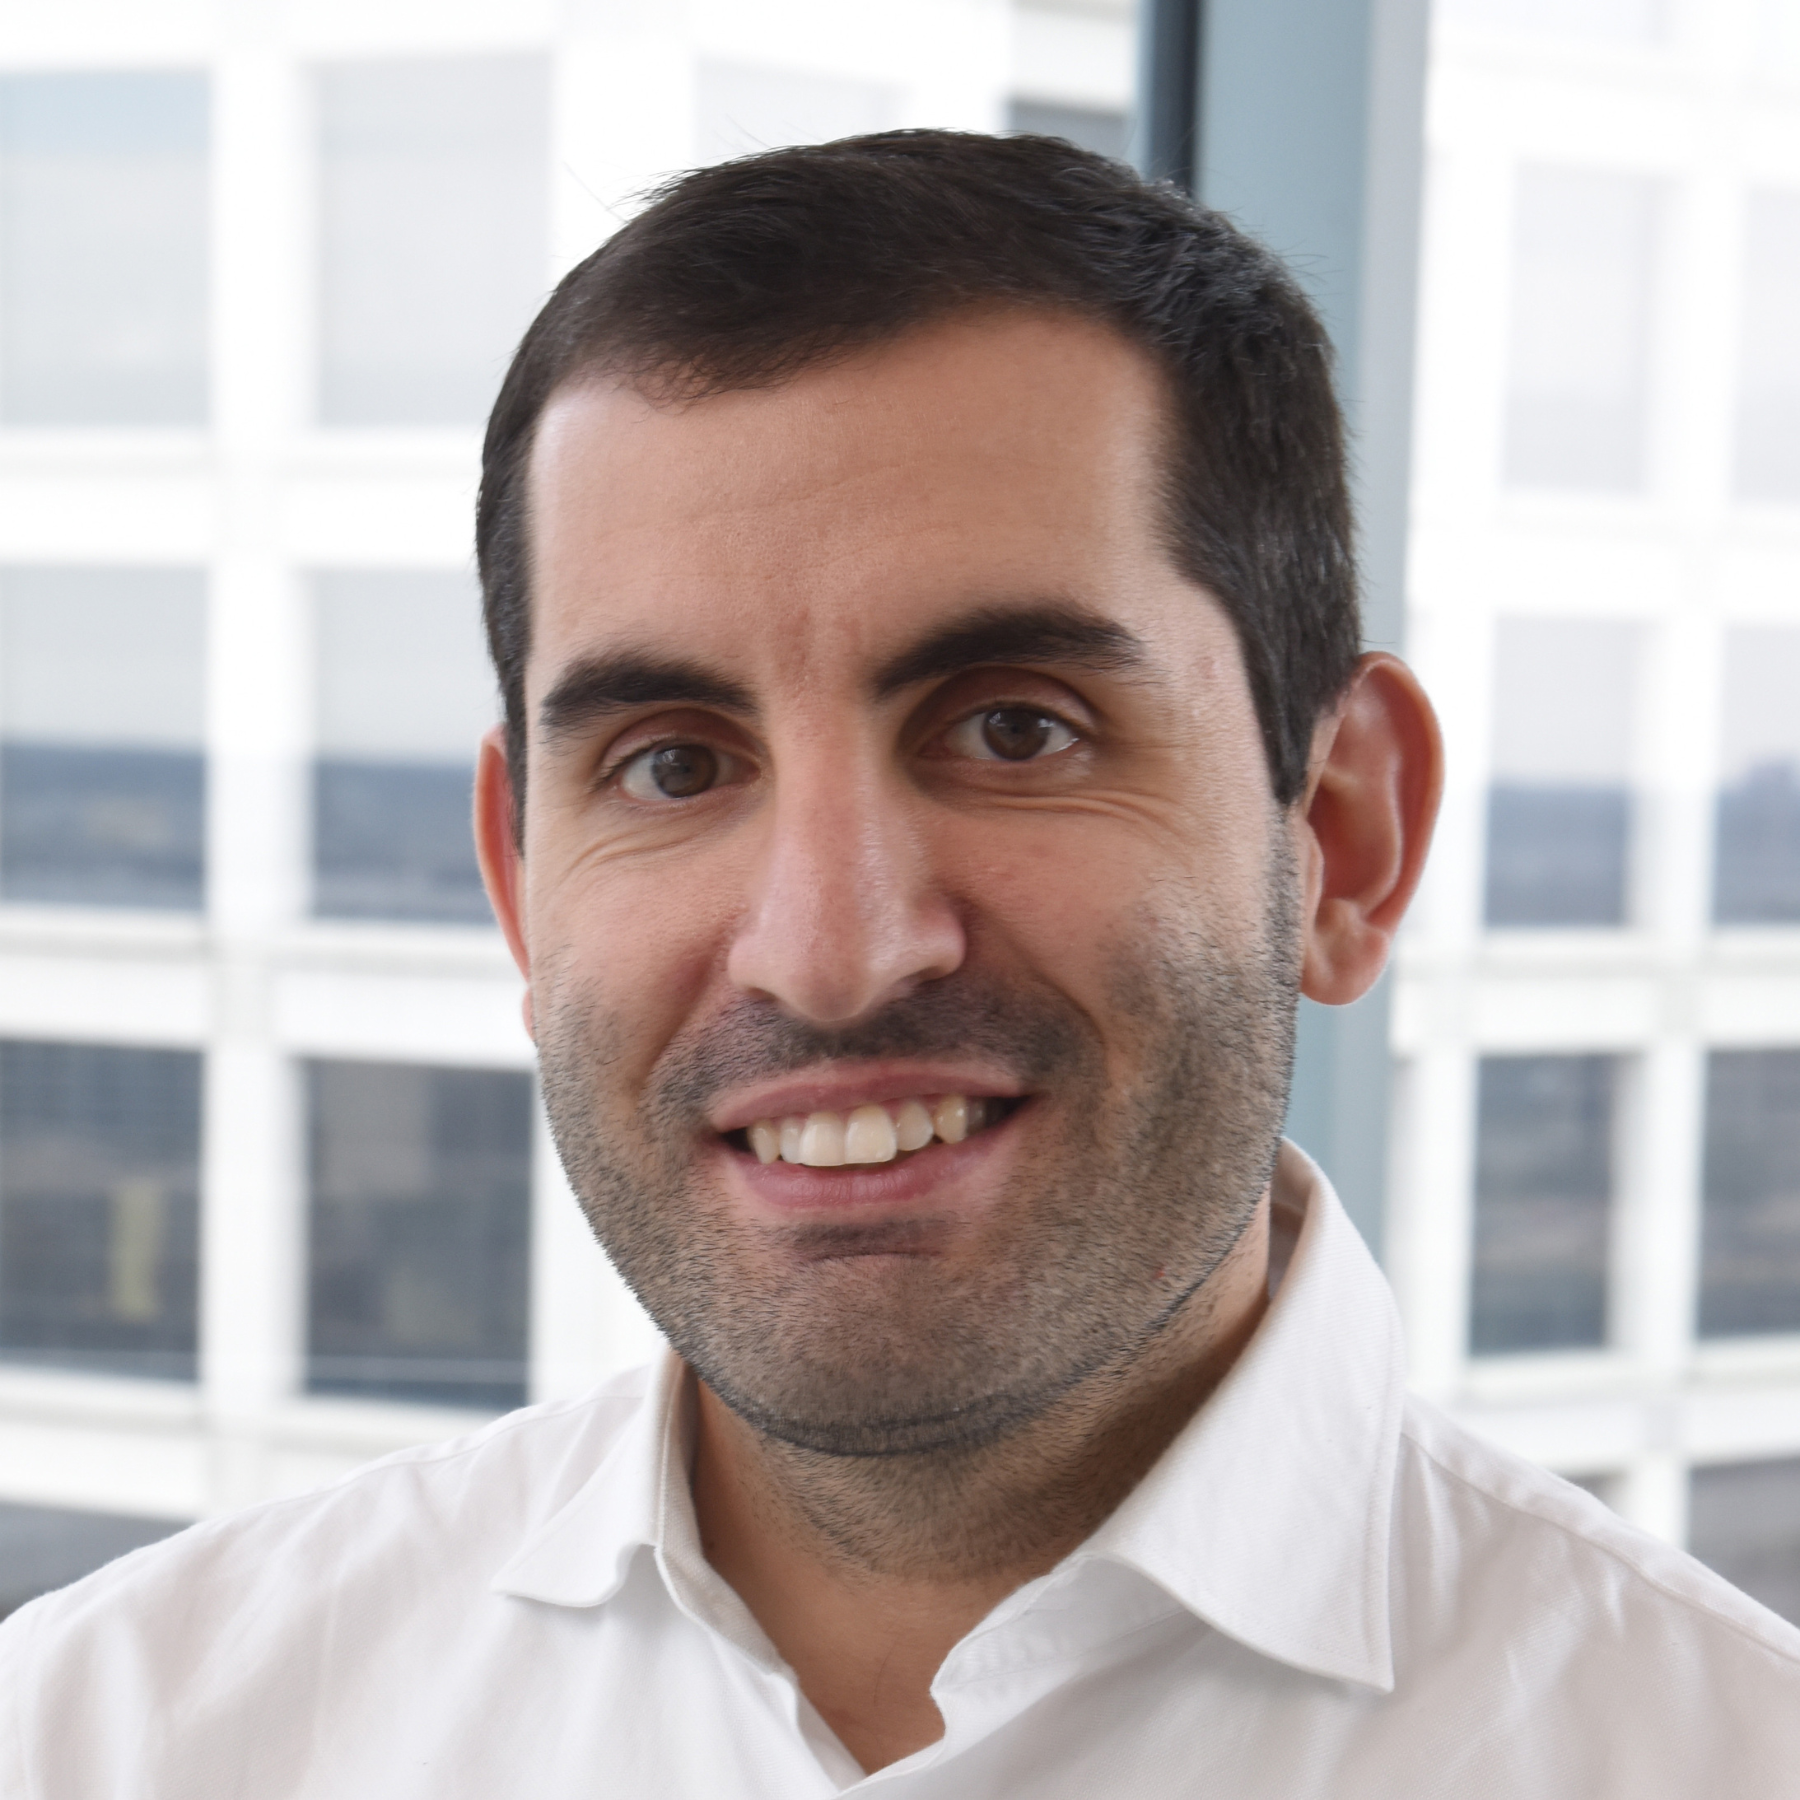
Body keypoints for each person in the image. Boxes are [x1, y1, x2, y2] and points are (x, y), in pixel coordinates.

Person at [1, 130, 1795, 1798]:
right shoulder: (113, 1737)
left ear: (1342, 835)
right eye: (675, 765)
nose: (834, 953)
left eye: (1015, 728)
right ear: (522, 888)